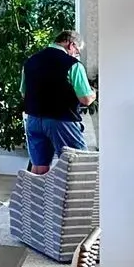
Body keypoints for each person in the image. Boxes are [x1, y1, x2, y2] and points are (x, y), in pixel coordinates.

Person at [21, 30, 95, 174]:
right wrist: (94, 94)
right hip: (61, 120)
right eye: (77, 51)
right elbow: (85, 99)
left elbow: (24, 93)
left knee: (39, 167)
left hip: (33, 120)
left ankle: (37, 196)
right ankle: (73, 197)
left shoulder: (30, 61)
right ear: (71, 44)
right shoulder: (73, 65)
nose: (76, 54)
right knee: (79, 165)